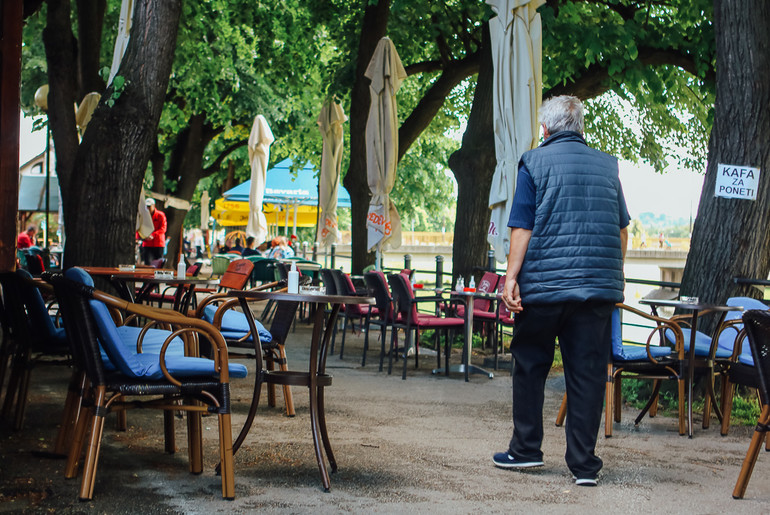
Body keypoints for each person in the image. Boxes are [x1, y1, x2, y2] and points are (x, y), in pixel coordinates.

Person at [494, 95, 629, 487]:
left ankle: (525, 450)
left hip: (544, 288)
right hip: (596, 291)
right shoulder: (608, 166)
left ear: (545, 130)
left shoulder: (533, 162)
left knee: (531, 363)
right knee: (587, 374)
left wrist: (510, 278)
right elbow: (622, 230)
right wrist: (612, 274)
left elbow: (522, 226)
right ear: (581, 128)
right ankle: (584, 467)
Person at [140, 198, 167, 265]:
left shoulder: (160, 215)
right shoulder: (143, 216)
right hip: (147, 243)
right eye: (146, 206)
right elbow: (140, 228)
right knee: (147, 263)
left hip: (158, 243)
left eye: (149, 206)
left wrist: (153, 235)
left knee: (158, 263)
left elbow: (163, 229)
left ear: (154, 205)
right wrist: (142, 236)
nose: (148, 208)